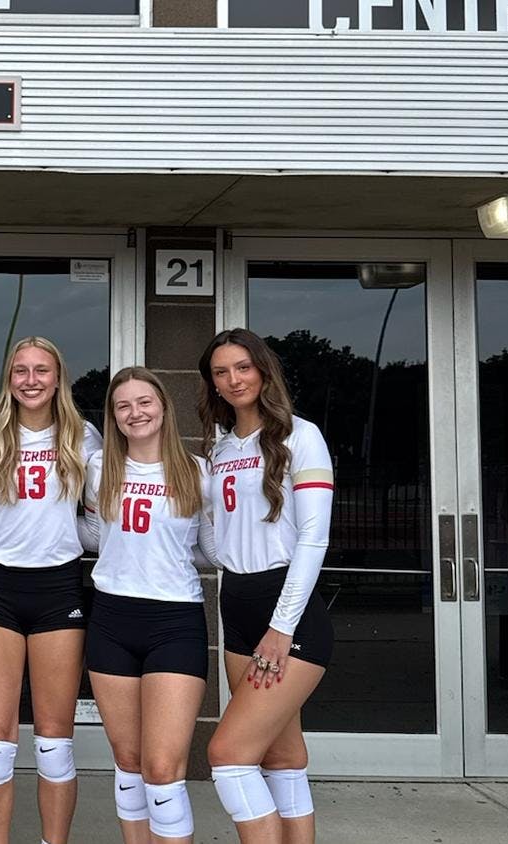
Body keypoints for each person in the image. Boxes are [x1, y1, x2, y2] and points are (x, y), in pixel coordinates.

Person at [0, 336, 101, 844]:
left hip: (58, 583)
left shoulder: (83, 436)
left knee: (53, 741)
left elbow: (94, 517)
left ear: (58, 377)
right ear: (8, 377)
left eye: (42, 370)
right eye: (20, 370)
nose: (31, 380)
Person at [198, 328, 334, 844]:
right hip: (236, 603)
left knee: (229, 756)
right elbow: (220, 546)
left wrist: (281, 627)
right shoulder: (220, 448)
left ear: (263, 370)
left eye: (242, 367)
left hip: (288, 613)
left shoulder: (302, 435)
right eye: (220, 371)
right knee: (281, 756)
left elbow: (313, 539)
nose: (233, 380)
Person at [79, 367, 208, 844]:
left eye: (144, 402)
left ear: (163, 407)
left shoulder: (197, 471)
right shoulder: (99, 469)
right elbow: (94, 535)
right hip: (112, 618)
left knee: (162, 766)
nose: (135, 413)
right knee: (129, 762)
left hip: (174, 620)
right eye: (123, 406)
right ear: (113, 417)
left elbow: (211, 549)